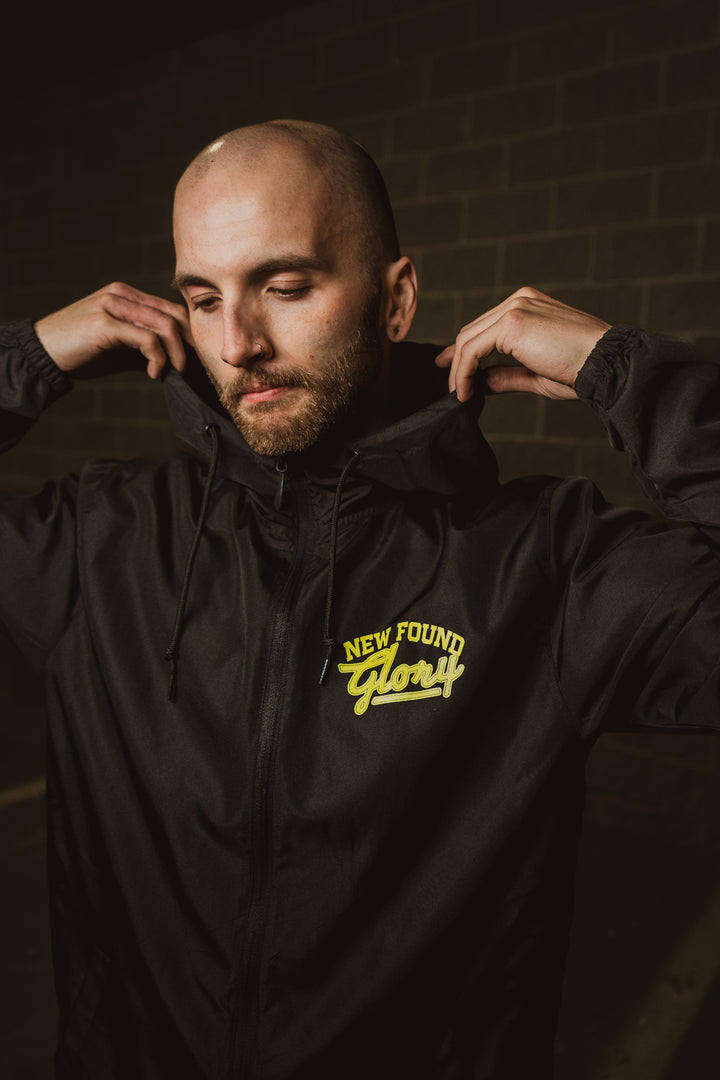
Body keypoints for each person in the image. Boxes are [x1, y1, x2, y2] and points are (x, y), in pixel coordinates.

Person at [1, 119, 718, 1079]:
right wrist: (29, 358)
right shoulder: (100, 545)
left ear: (396, 299)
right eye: (202, 296)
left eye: (285, 286)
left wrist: (621, 372)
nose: (237, 343)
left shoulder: (541, 566)